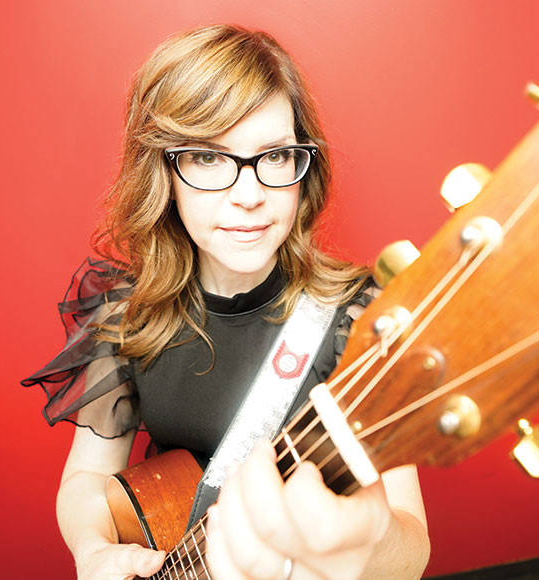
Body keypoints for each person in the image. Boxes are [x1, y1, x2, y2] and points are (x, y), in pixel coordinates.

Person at [22, 24, 430, 580]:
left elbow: (411, 546)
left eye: (275, 155)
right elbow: (88, 480)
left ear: (302, 166)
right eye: (209, 159)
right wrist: (93, 551)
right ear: (164, 172)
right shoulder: (126, 312)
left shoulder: (361, 319)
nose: (248, 194)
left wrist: (370, 539)